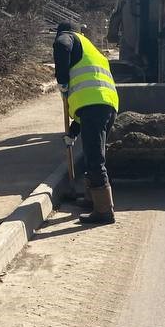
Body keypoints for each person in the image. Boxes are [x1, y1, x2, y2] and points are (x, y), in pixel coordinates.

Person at [54, 21, 119, 225]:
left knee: (94, 158)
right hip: (106, 105)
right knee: (94, 154)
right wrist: (74, 130)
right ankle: (92, 198)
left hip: (94, 106)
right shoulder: (91, 48)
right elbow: (91, 96)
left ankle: (104, 211)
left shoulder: (66, 37)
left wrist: (62, 80)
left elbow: (62, 46)